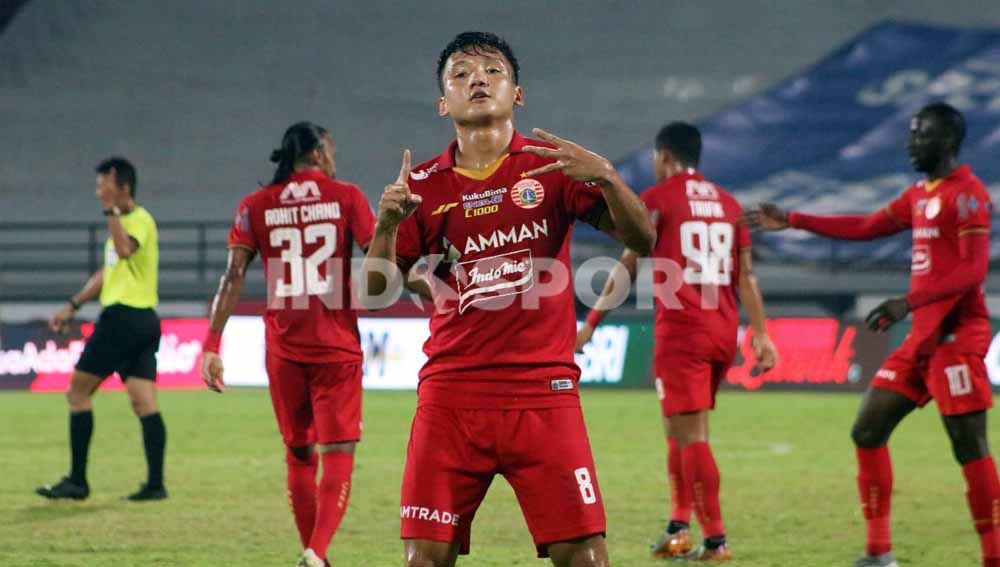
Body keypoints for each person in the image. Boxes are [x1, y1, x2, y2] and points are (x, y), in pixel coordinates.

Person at [360, 31, 654, 567]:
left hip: (544, 393)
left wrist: (609, 176)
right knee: (422, 560)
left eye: (493, 70)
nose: (477, 79)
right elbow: (374, 294)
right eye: (460, 74)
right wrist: (385, 227)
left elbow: (643, 240)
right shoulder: (422, 186)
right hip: (451, 397)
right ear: (442, 101)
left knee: (586, 557)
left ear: (517, 93)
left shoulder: (552, 167)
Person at [747, 102, 998, 567]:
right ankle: (879, 554)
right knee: (867, 430)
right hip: (922, 339)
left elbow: (973, 269)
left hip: (957, 339)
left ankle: (994, 557)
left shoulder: (969, 195)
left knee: (969, 446)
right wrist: (795, 220)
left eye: (920, 134)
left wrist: (909, 302)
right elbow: (867, 226)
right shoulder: (921, 194)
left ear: (946, 141)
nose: (910, 141)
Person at [577, 122, 777, 561]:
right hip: (723, 330)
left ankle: (716, 539)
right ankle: (678, 526)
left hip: (682, 331)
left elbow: (628, 265)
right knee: (680, 430)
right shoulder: (728, 204)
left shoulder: (656, 200)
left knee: (692, 437)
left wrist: (591, 322)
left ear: (664, 156)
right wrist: (760, 333)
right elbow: (746, 275)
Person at [199, 122, 376, 567]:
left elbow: (233, 276)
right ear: (317, 154)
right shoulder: (347, 196)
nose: (334, 159)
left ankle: (312, 554)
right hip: (335, 345)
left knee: (299, 453)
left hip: (283, 348)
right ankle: (317, 552)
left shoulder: (255, 205)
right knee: (338, 452)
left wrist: (211, 343)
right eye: (331, 150)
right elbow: (381, 260)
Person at [37, 157, 166, 502]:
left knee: (77, 394)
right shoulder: (122, 226)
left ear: (123, 186)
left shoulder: (138, 220)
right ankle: (156, 485)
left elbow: (124, 251)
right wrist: (74, 304)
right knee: (144, 402)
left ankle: (77, 481)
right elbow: (108, 271)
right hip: (143, 322)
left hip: (123, 319)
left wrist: (110, 213)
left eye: (103, 185)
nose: (98, 192)